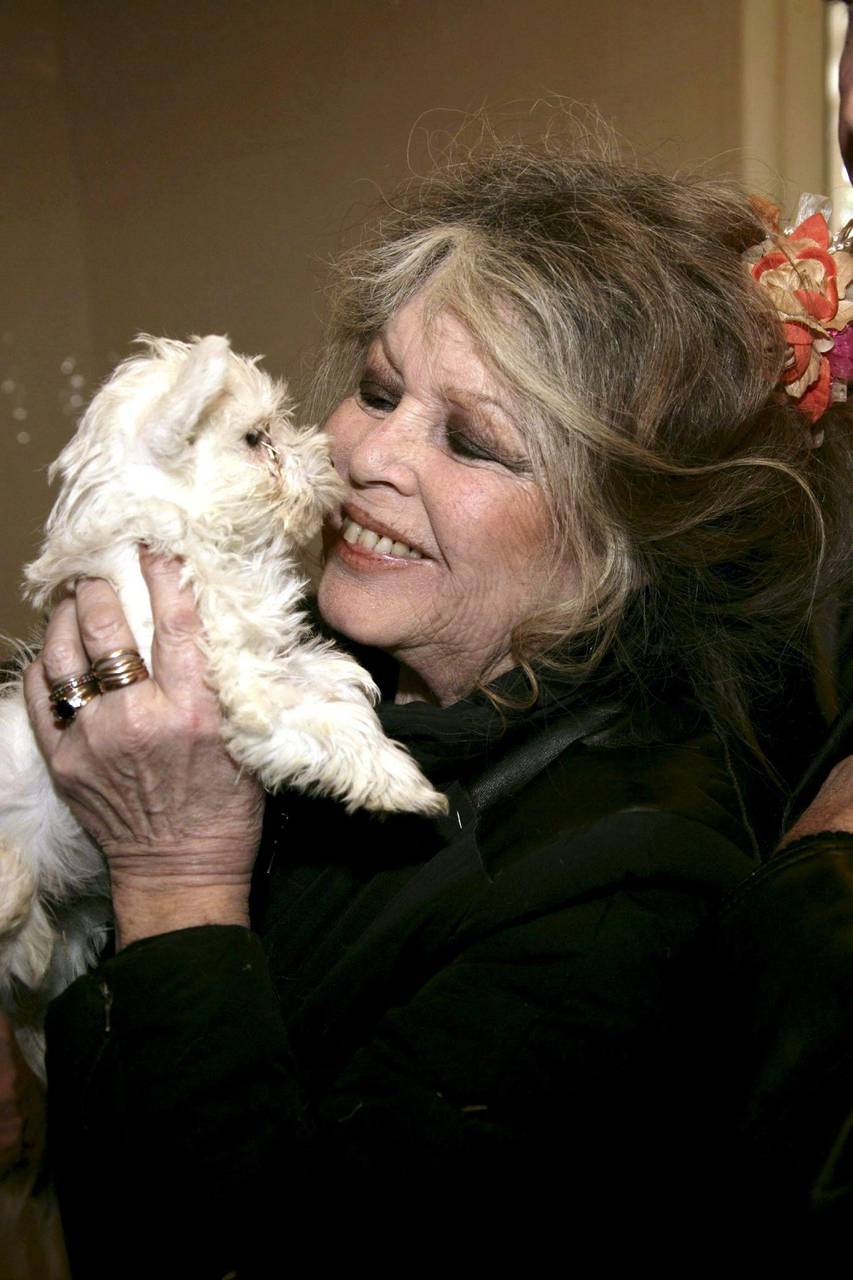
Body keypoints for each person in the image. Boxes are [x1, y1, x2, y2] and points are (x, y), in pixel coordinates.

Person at [8, 140, 853, 1270]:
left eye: (472, 441)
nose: (363, 452)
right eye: (376, 388)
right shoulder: (317, 671)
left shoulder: (630, 893)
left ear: (625, 540)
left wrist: (176, 880)